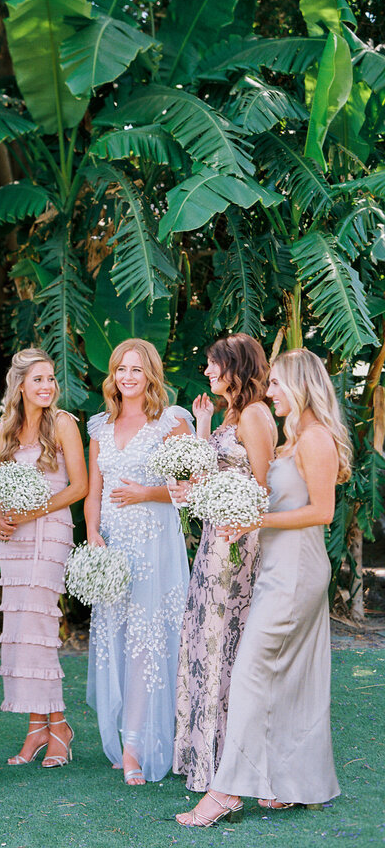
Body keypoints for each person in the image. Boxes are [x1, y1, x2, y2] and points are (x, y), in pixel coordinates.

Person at [175, 348, 349, 827]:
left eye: (276, 384)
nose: (268, 391)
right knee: (288, 677)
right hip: (277, 566)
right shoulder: (294, 440)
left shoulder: (315, 439)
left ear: (298, 385)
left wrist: (256, 518)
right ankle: (286, 784)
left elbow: (323, 512)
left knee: (251, 673)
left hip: (296, 572)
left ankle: (226, 791)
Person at [84, 338, 192, 785]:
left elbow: (190, 490)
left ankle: (136, 746)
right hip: (112, 547)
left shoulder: (172, 423)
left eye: (136, 369)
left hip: (154, 547)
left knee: (147, 642)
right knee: (117, 639)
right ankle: (126, 736)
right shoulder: (100, 427)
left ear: (151, 374)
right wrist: (92, 536)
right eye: (121, 369)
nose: (128, 377)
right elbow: (94, 492)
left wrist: (146, 493)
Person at [172, 334, 277, 790]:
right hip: (213, 540)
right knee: (203, 640)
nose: (209, 372)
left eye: (215, 365)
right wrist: (202, 425)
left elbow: (264, 489)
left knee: (223, 643)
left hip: (237, 545)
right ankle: (205, 759)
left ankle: (228, 765)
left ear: (238, 368)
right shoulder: (230, 414)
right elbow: (212, 475)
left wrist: (228, 517)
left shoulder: (255, 415)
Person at [0, 349, 88, 768]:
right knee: (20, 627)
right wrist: (0, 519)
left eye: (51, 378)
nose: (48, 386)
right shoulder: (4, 432)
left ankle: (60, 726)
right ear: (20, 386)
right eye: (39, 380)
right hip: (14, 538)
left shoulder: (64, 423)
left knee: (41, 624)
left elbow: (79, 486)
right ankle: (37, 729)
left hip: (51, 530)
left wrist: (33, 511)